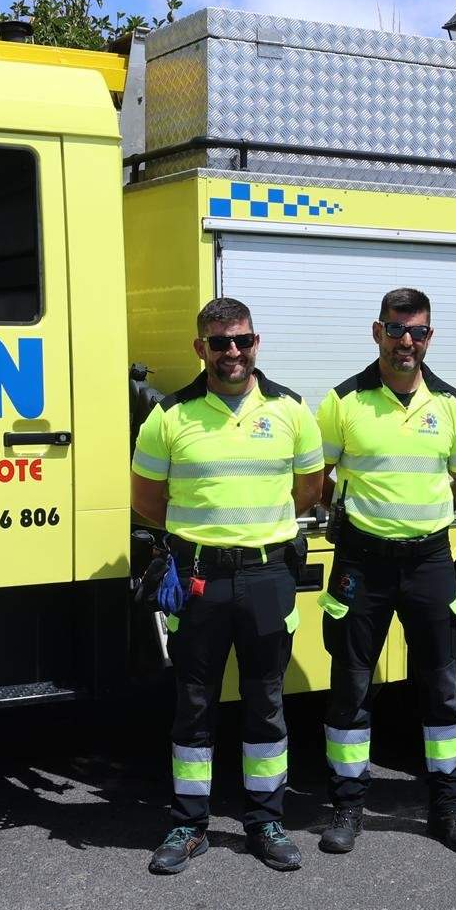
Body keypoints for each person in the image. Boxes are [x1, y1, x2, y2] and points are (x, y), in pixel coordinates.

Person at [132, 297, 324, 874]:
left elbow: (310, 487)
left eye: (242, 340)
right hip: (200, 578)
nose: (233, 352)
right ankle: (189, 825)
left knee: (267, 701)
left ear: (255, 342)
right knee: (194, 703)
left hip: (268, 575)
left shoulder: (291, 409)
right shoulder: (170, 416)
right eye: (220, 343)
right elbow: (147, 501)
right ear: (201, 349)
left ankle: (265, 821)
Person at [314, 288, 456, 856]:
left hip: (430, 559)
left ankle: (449, 806)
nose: (406, 342)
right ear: (376, 332)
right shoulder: (343, 402)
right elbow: (320, 479)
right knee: (352, 686)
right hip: (363, 561)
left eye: (417, 332)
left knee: (441, 687)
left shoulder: (453, 405)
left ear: (429, 338)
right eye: (395, 330)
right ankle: (346, 806)